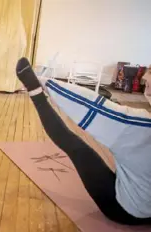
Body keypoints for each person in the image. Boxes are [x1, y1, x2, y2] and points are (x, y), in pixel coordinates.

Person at [16, 57, 151, 226]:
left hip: (128, 212)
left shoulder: (138, 125)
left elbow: (91, 104)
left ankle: (35, 94)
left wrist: (42, 83)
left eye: (150, 72)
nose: (144, 77)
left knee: (75, 146)